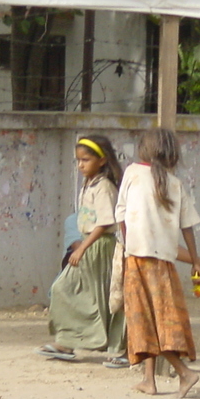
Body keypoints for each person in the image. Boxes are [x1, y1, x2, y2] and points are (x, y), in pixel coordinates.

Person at [115, 128, 200, 398]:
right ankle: (149, 379)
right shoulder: (175, 183)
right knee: (159, 319)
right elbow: (188, 226)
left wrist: (128, 248)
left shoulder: (133, 174)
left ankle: (184, 373)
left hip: (138, 260)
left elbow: (121, 216)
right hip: (164, 265)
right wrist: (195, 259)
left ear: (143, 149)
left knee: (144, 320)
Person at [37, 135, 128, 367]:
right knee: (65, 289)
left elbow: (105, 223)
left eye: (85, 160)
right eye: (78, 160)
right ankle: (66, 342)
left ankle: (118, 348)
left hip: (98, 247)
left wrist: (82, 249)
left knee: (104, 297)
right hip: (88, 243)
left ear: (102, 160)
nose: (80, 165)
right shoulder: (90, 184)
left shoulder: (104, 187)